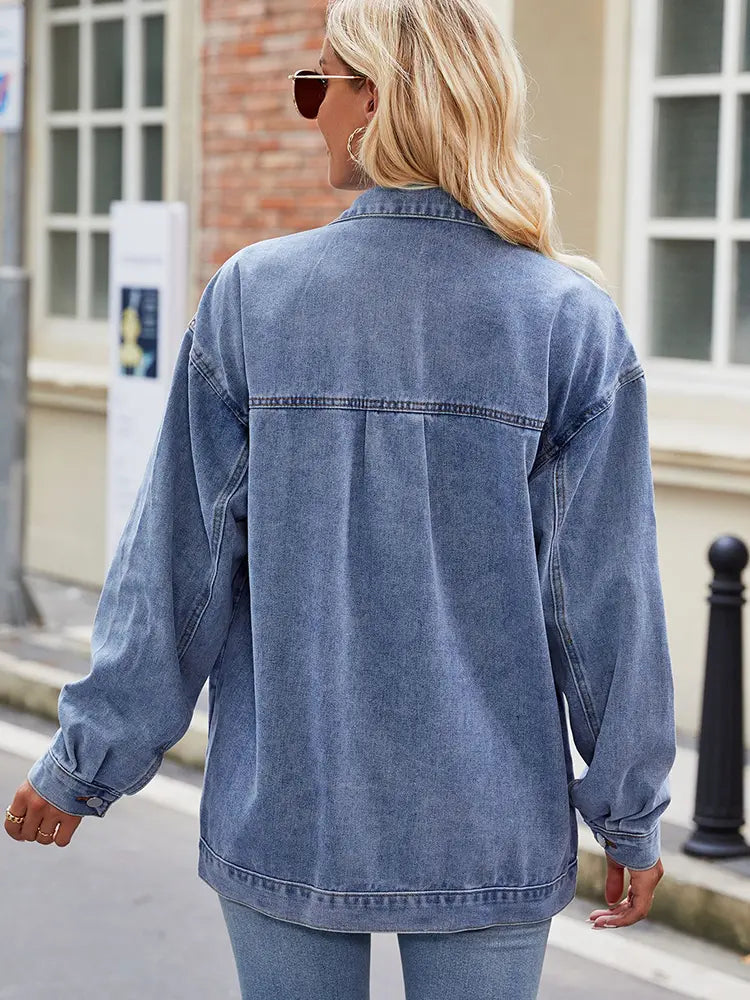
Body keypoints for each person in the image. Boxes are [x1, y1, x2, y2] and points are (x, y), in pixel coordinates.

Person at [5, 0, 676, 997]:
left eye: (316, 84)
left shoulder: (254, 299)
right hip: (488, 824)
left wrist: (86, 762)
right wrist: (629, 812)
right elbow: (605, 605)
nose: (308, 109)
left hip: (290, 809)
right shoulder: (567, 321)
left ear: (374, 100)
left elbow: (180, 575)